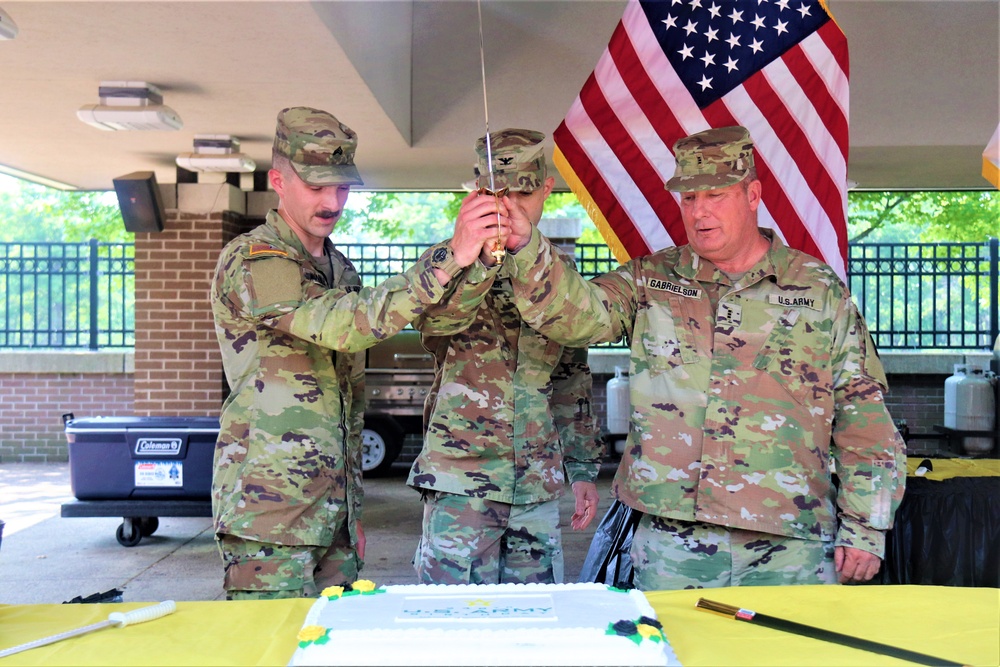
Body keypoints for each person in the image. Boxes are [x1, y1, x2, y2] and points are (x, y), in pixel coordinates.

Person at [496, 126, 906, 590]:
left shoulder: (816, 288)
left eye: (715, 194)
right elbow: (575, 316)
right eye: (688, 198)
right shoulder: (651, 279)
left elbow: (862, 412)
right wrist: (526, 247)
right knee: (677, 658)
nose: (700, 210)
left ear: (753, 194)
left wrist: (866, 525)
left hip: (791, 542)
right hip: (673, 543)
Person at [209, 106, 502, 600]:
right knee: (269, 649)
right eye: (317, 185)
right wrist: (450, 255)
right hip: (269, 511)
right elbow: (343, 326)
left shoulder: (338, 268)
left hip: (332, 514)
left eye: (341, 186)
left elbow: (349, 399)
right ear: (278, 181)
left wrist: (349, 512)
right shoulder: (253, 259)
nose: (332, 200)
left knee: (329, 647)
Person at [407, 128, 604, 585]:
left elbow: (571, 375)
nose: (510, 207)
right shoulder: (446, 262)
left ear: (547, 190)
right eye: (498, 193)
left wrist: (582, 468)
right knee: (452, 629)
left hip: (534, 483)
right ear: (478, 193)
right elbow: (435, 324)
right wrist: (475, 261)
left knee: (533, 622)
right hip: (461, 482)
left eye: (524, 192)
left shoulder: (559, 274)